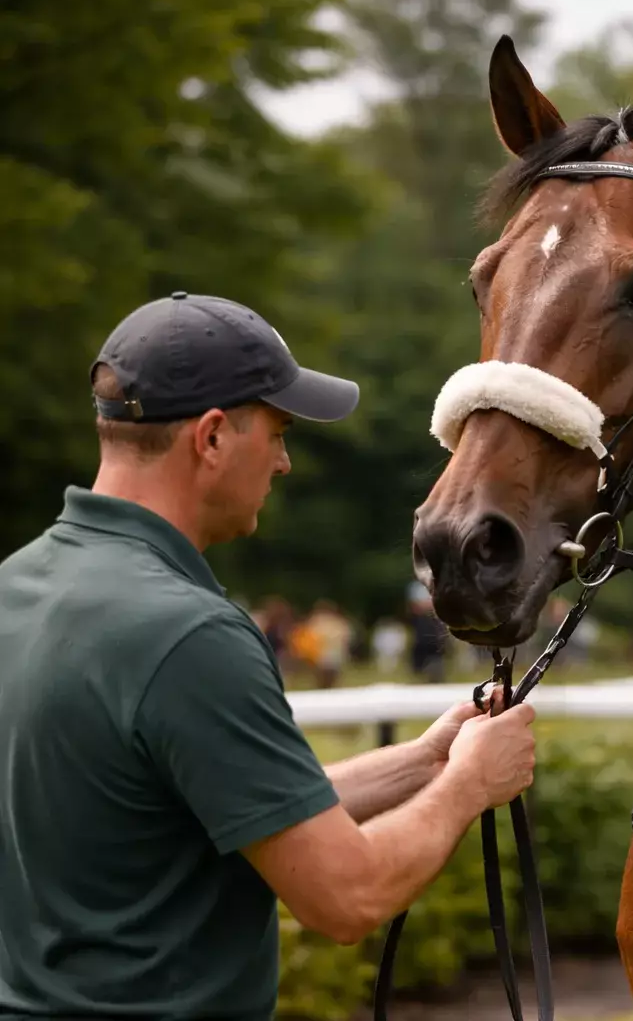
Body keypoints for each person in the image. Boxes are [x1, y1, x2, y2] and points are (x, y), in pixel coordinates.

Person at [0, 292, 537, 1019]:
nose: (284, 462)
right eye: (279, 431)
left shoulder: (19, 585)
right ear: (213, 436)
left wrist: (431, 758)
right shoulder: (188, 636)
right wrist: (471, 786)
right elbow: (347, 897)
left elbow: (235, 806)